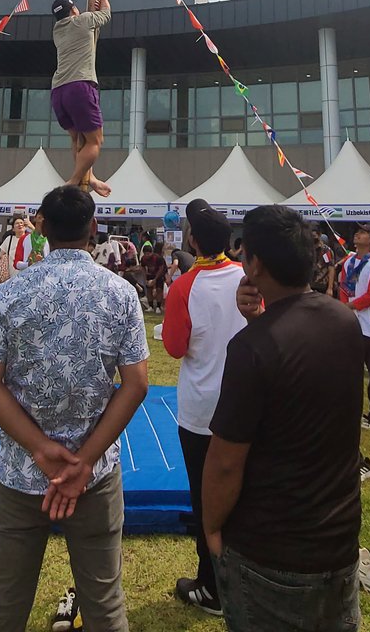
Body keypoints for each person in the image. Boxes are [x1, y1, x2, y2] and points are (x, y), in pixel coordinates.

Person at [0, 185, 149, 632]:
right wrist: (85, 459)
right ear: (93, 227)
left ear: (42, 227)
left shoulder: (12, 293)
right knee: (105, 603)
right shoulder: (121, 293)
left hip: (22, 470)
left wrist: (38, 448)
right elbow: (136, 385)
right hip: (92, 474)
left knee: (6, 603)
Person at [207, 205, 364, 631]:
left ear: (254, 264)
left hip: (270, 552)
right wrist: (259, 321)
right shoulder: (344, 322)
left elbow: (225, 461)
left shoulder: (251, 349)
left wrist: (212, 529)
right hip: (339, 539)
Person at [161, 199, 245, 617]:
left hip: (200, 411)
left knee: (204, 499)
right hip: (245, 404)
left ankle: (210, 586)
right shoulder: (249, 277)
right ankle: (244, 579)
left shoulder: (184, 286)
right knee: (244, 496)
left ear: (192, 239)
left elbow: (175, 347)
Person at [50, 0, 113, 197]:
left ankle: (90, 177)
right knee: (95, 141)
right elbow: (106, 14)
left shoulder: (57, 31)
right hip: (79, 87)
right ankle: (73, 181)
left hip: (59, 90)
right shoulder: (83, 20)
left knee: (78, 138)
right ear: (74, 10)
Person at [338, 225, 370, 430]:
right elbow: (343, 286)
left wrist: (350, 305)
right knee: (352, 368)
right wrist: (345, 305)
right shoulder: (348, 261)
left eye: (363, 233)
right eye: (357, 232)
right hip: (351, 321)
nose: (357, 235)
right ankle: (352, 408)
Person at [0, 217, 28, 287]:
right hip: (11, 276)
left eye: (21, 223)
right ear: (13, 229)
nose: (20, 225)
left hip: (26, 275)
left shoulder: (29, 239)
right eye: (17, 223)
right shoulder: (9, 239)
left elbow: (41, 238)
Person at [141, 241, 167, 314]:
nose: (147, 255)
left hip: (159, 275)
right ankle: (151, 306)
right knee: (149, 290)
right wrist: (145, 278)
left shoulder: (158, 258)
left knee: (159, 290)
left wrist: (155, 279)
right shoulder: (143, 259)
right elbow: (142, 267)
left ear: (151, 252)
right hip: (150, 274)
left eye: (148, 253)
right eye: (145, 254)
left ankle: (158, 307)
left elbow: (161, 268)